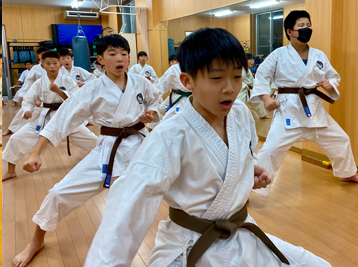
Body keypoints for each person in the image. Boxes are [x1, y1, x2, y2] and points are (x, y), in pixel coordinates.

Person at [84, 27, 331, 267]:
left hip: (241, 233)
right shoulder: (171, 134)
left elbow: (239, 155)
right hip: (190, 242)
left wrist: (249, 169)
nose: (230, 87)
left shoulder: (241, 114)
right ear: (187, 81)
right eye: (216, 78)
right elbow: (127, 208)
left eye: (236, 76)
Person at [10, 34, 163, 267]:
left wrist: (151, 114)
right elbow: (63, 117)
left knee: (149, 197)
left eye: (123, 54)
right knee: (58, 193)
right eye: (112, 54)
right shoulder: (92, 88)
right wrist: (36, 152)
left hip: (141, 147)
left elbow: (155, 103)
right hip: (108, 148)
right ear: (100, 59)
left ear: (129, 58)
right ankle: (36, 241)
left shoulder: (141, 83)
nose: (119, 58)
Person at [252, 10, 358, 185]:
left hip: (313, 108)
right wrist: (266, 98)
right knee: (270, 150)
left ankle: (347, 172)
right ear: (290, 31)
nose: (307, 28)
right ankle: (253, 184)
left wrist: (329, 84)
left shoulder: (319, 55)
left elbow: (334, 76)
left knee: (341, 139)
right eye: (301, 26)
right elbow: (261, 76)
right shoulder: (278, 54)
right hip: (288, 109)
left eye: (308, 25)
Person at [0, 50, 94, 181]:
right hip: (44, 117)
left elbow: (76, 99)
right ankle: (10, 171)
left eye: (55, 63)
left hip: (65, 117)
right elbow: (28, 99)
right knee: (17, 138)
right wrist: (27, 109)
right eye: (48, 63)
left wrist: (60, 92)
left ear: (60, 65)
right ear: (42, 66)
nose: (52, 66)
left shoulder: (68, 81)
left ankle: (106, 162)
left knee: (92, 141)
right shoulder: (39, 83)